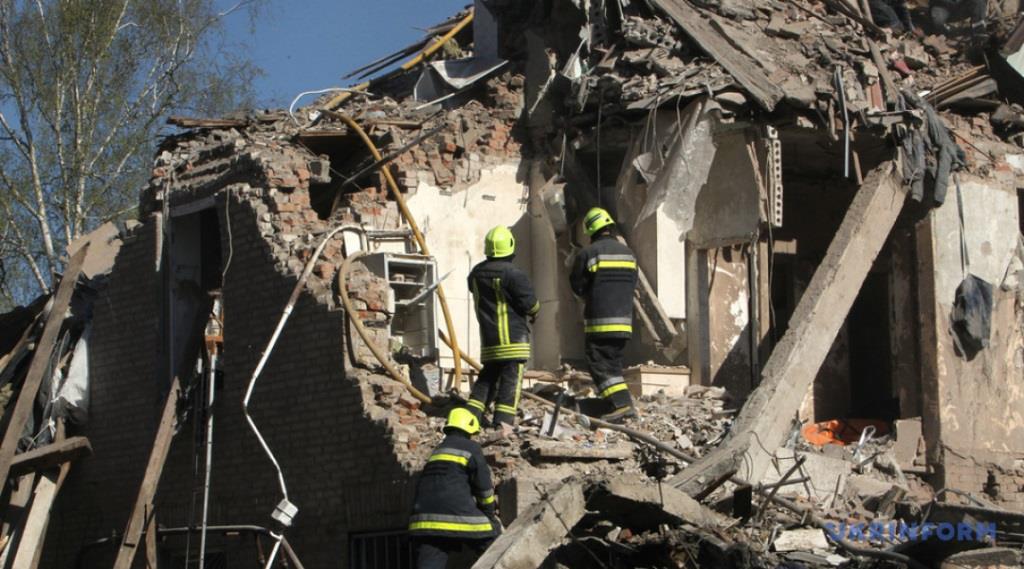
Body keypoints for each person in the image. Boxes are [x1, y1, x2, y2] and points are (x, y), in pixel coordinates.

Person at [569, 207, 639, 423]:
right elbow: (633, 284)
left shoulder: (588, 254)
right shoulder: (628, 254)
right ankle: (614, 406)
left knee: (599, 364)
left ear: (590, 230)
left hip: (600, 323)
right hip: (624, 323)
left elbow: (577, 287)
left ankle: (622, 403)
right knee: (612, 366)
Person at [467, 226, 540, 429]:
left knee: (486, 380)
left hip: (489, 342)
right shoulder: (514, 274)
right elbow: (530, 304)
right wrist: (535, 311)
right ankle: (503, 423)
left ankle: (470, 418)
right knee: (510, 383)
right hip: (513, 342)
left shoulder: (476, 274)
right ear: (510, 247)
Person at [409, 408, 500, 569]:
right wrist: (489, 514)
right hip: (455, 515)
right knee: (494, 541)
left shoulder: (437, 450)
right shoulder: (471, 447)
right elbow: (483, 488)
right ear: (469, 429)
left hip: (424, 522)